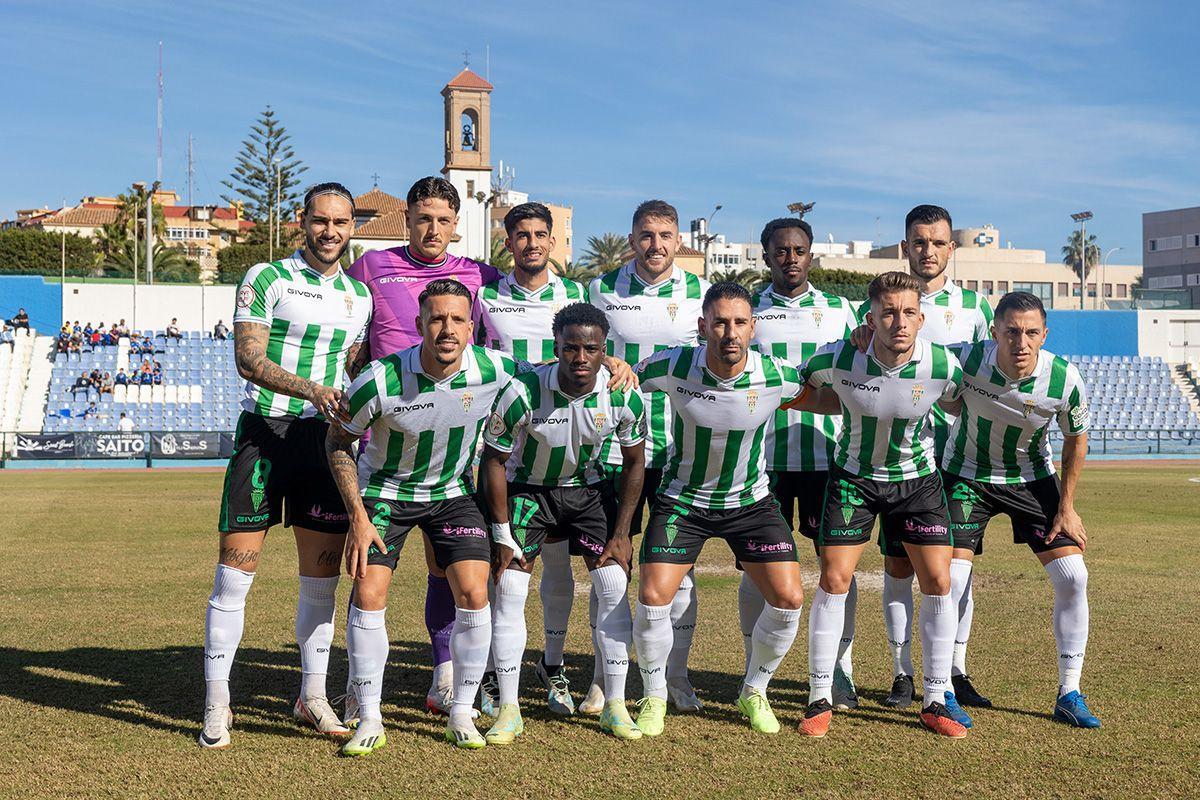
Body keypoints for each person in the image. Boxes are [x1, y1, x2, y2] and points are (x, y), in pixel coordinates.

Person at [198, 181, 372, 750]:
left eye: (340, 222)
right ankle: (216, 701)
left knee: (319, 583)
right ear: (303, 221)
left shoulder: (359, 297)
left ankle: (312, 697)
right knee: (234, 576)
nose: (330, 231)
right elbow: (248, 358)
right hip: (266, 436)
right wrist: (313, 390)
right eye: (320, 220)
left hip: (325, 446)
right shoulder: (267, 277)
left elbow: (355, 367)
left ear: (353, 226)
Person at [325, 279, 523, 755]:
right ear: (419, 325)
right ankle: (369, 714)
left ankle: (461, 712)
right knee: (369, 592)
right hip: (384, 494)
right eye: (436, 318)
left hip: (452, 493)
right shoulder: (379, 378)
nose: (447, 329)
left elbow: (561, 371)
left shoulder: (495, 369)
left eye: (457, 319)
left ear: (471, 327)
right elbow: (336, 442)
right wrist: (357, 514)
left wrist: (615, 366)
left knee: (475, 591)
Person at [345, 176, 506, 717]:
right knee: (362, 576)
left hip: (452, 450)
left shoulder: (480, 277)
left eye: (443, 220)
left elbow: (509, 346)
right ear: (407, 220)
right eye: (422, 218)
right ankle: (356, 693)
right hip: (383, 443)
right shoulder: (370, 268)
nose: (432, 229)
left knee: (449, 569)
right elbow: (346, 329)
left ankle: (445, 680)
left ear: (456, 224)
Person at [630, 282, 813, 737]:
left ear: (753, 328)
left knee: (789, 599)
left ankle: (754, 690)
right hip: (683, 500)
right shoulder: (673, 364)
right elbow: (628, 374)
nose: (729, 332)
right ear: (702, 326)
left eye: (739, 323)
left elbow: (825, 394)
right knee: (654, 597)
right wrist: (615, 364)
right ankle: (654, 697)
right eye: (720, 322)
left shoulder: (777, 375)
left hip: (750, 502)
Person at [798, 271, 966, 739]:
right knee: (834, 579)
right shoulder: (839, 354)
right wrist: (845, 405)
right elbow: (800, 387)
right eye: (888, 312)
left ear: (921, 317)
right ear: (869, 316)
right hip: (854, 479)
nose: (899, 321)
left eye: (908, 312)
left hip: (918, 484)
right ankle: (819, 697)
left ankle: (936, 700)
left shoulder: (943, 364)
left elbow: (956, 403)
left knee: (938, 580)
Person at [480, 302, 647, 743]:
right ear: (556, 348)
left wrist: (622, 533)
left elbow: (634, 464)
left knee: (613, 585)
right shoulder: (522, 390)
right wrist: (500, 533)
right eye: (570, 348)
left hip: (589, 491)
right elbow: (493, 462)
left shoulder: (623, 393)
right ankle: (510, 709)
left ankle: (614, 704)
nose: (580, 358)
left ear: (604, 350)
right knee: (512, 586)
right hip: (530, 490)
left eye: (590, 349)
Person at [858, 206, 996, 711]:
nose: (928, 251)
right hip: (895, 458)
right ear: (906, 246)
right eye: (919, 242)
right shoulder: (875, 307)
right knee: (897, 565)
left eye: (938, 242)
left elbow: (984, 377)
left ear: (950, 248)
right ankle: (901, 672)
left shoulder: (977, 310)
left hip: (957, 457)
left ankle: (954, 670)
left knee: (955, 569)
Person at [941, 292, 1099, 727]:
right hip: (965, 475)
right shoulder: (964, 360)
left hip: (1031, 479)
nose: (1021, 342)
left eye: (1031, 333)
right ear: (994, 332)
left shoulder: (1065, 378)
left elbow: (1076, 438)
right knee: (951, 579)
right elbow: (916, 358)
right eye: (1011, 331)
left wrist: (1067, 507)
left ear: (1044, 335)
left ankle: (1070, 691)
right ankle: (943, 687)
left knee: (1074, 576)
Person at [587, 199, 710, 714]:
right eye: (645, 234)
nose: (655, 244)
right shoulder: (600, 290)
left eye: (665, 235)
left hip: (681, 451)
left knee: (677, 569)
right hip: (614, 447)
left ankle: (674, 677)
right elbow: (585, 348)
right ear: (631, 237)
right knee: (608, 563)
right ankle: (601, 676)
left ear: (679, 240)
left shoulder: (700, 293)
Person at [474, 202, 593, 717]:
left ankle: (553, 663)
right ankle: (493, 675)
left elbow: (593, 351)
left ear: (552, 240)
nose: (532, 243)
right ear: (508, 242)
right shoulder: (485, 297)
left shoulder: (576, 296)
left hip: (559, 445)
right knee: (502, 566)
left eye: (541, 234)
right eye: (521, 235)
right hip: (501, 447)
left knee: (560, 569)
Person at [743, 217, 860, 709]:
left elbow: (861, 370)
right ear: (766, 256)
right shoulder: (747, 311)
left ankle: (840, 670)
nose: (790, 258)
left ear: (811, 255)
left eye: (799, 250)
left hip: (827, 458)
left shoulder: (841, 310)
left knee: (838, 569)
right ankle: (754, 672)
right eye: (780, 250)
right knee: (757, 570)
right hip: (762, 460)